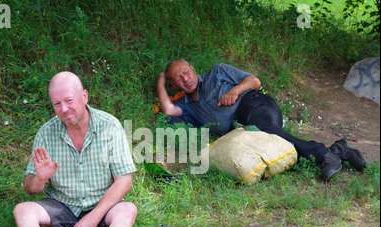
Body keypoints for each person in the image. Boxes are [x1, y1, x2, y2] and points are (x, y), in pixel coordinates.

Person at [3, 71, 138, 227]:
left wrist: (92, 218)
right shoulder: (46, 133)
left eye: (69, 101)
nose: (64, 109)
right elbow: (30, 188)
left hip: (101, 205)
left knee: (127, 210)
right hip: (61, 204)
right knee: (23, 210)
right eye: (57, 104)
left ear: (84, 96)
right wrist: (39, 178)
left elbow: (124, 180)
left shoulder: (110, 126)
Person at [156, 59, 366, 181]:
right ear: (174, 85)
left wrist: (235, 91)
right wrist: (160, 82)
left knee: (264, 128)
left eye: (186, 72)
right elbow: (168, 110)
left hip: (254, 103)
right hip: (241, 129)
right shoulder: (187, 107)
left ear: (193, 68)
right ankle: (338, 151)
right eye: (178, 79)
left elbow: (254, 81)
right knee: (273, 151)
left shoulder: (217, 71)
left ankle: (323, 155)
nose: (186, 79)